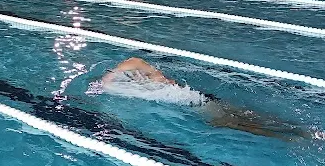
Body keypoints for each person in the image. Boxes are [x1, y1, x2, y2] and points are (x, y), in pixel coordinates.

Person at [99, 58, 305, 140]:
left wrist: (111, 78)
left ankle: (286, 136)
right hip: (198, 97)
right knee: (242, 115)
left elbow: (136, 63)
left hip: (197, 103)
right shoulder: (146, 82)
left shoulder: (142, 78)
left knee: (231, 122)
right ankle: (293, 129)